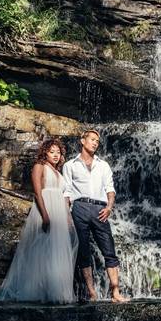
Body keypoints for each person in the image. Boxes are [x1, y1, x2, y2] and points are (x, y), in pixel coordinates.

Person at [0, 137, 77, 302]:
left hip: (60, 212)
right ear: (45, 152)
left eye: (58, 152)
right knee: (41, 250)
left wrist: (68, 217)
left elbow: (63, 197)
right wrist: (45, 215)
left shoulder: (58, 172)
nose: (55, 155)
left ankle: (56, 292)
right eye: (52, 151)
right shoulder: (40, 166)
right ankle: (36, 291)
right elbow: (38, 193)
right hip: (45, 208)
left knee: (56, 251)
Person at [63, 129, 128, 303]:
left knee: (109, 250)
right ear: (82, 141)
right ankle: (92, 292)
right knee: (83, 252)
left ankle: (115, 292)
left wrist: (109, 207)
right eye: (92, 139)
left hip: (100, 209)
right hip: (79, 208)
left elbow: (110, 189)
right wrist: (67, 216)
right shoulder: (70, 165)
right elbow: (67, 193)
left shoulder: (103, 165)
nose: (95, 143)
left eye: (97, 141)